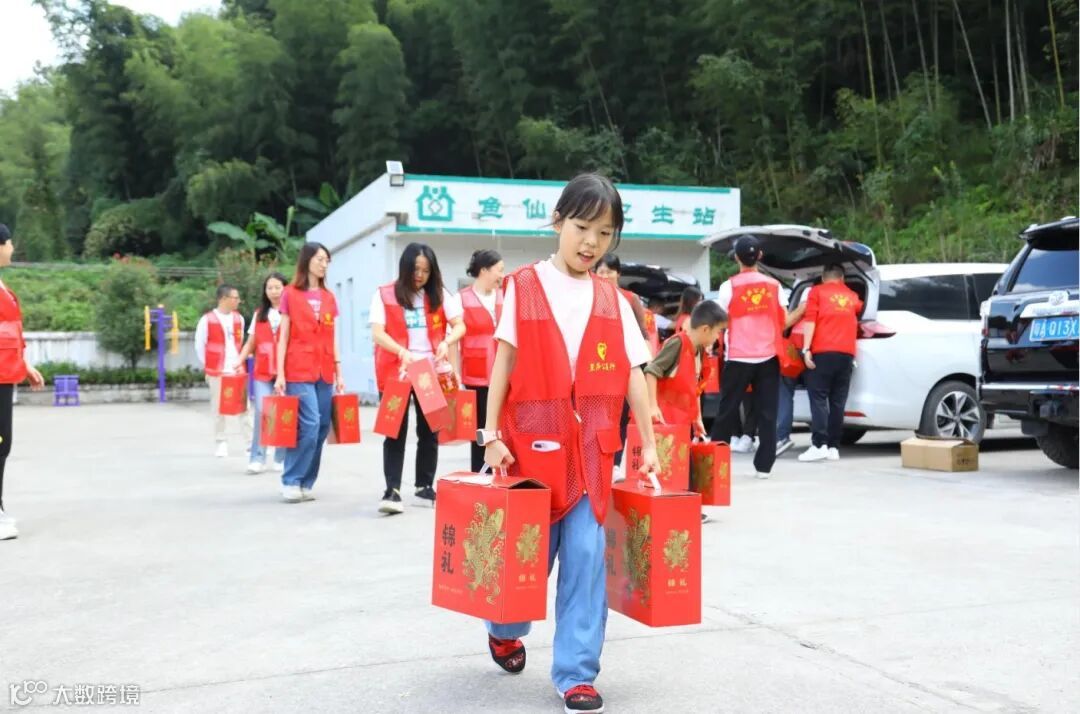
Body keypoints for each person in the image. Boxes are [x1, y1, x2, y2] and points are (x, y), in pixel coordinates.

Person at [480, 173, 659, 714]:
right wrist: (489, 435)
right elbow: (504, 360)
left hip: (592, 456)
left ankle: (577, 673)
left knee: (585, 557)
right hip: (530, 452)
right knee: (525, 561)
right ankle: (503, 630)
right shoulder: (524, 285)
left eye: (604, 234)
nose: (591, 243)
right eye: (582, 228)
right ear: (558, 221)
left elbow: (634, 371)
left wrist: (649, 443)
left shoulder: (613, 298)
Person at [370, 242, 465, 514]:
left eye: (425, 270)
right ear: (405, 268)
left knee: (429, 431)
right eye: (415, 269)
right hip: (397, 370)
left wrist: (447, 342)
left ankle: (424, 487)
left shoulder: (439, 294)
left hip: (428, 370)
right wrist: (401, 351)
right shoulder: (385, 294)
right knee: (394, 431)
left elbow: (460, 325)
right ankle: (392, 490)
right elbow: (378, 332)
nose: (420, 275)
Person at [707, 235, 786, 479]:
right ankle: (764, 467)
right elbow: (783, 319)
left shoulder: (728, 287)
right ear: (760, 256)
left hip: (738, 356)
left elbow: (718, 320)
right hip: (768, 356)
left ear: (737, 258)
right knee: (767, 413)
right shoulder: (774, 286)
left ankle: (714, 466)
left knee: (727, 411)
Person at [645, 299, 727, 524]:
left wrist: (697, 418)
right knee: (671, 468)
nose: (717, 338)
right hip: (666, 419)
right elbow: (651, 371)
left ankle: (686, 509)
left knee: (684, 467)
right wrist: (652, 406)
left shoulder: (698, 350)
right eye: (717, 332)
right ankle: (677, 511)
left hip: (682, 421)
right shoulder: (678, 344)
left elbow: (694, 388)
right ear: (705, 329)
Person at [273, 242, 344, 503]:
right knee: (310, 424)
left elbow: (333, 337)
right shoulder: (290, 294)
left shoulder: (329, 297)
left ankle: (305, 481)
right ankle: (291, 479)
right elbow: (283, 336)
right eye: (320, 259)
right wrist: (280, 373)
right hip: (298, 368)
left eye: (327, 260)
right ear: (307, 261)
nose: (324, 264)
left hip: (325, 370)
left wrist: (339, 371)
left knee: (323, 426)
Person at [0, 224, 45, 541]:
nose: (13, 248)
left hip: (6, 372)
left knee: (3, 444)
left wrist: (25, 364)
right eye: (9, 242)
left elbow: (9, 333)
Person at [798, 264, 863, 462]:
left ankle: (819, 445)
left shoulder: (816, 292)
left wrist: (806, 349)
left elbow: (810, 321)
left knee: (818, 399)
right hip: (846, 355)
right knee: (837, 402)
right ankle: (834, 447)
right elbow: (859, 308)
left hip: (823, 352)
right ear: (842, 279)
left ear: (823, 278)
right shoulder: (852, 296)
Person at [593, 253, 647, 473]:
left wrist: (645, 367)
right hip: (596, 365)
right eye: (601, 271)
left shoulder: (629, 299)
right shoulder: (589, 296)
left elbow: (643, 333)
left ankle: (615, 463)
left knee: (621, 415)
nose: (605, 276)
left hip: (624, 364)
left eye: (609, 271)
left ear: (618, 273)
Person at [458, 249, 504, 473]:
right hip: (475, 375)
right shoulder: (462, 299)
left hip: (502, 372)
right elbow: (455, 340)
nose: (502, 276)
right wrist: (456, 375)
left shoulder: (504, 297)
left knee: (502, 427)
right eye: (499, 270)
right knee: (479, 430)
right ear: (484, 270)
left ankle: (502, 473)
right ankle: (480, 475)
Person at [238, 272, 288, 474]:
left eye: (277, 287)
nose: (274, 291)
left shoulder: (292, 312)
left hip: (286, 371)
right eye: (270, 288)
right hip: (263, 371)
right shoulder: (260, 314)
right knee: (262, 411)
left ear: (285, 289)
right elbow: (250, 342)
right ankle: (257, 457)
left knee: (284, 412)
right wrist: (239, 360)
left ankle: (281, 458)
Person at [194, 283, 246, 458]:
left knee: (244, 407)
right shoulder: (207, 320)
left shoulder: (239, 319)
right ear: (223, 299)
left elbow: (240, 342)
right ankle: (221, 442)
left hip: (236, 369)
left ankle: (249, 443)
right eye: (235, 298)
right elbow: (200, 345)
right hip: (217, 370)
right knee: (218, 408)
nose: (238, 301)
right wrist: (210, 365)